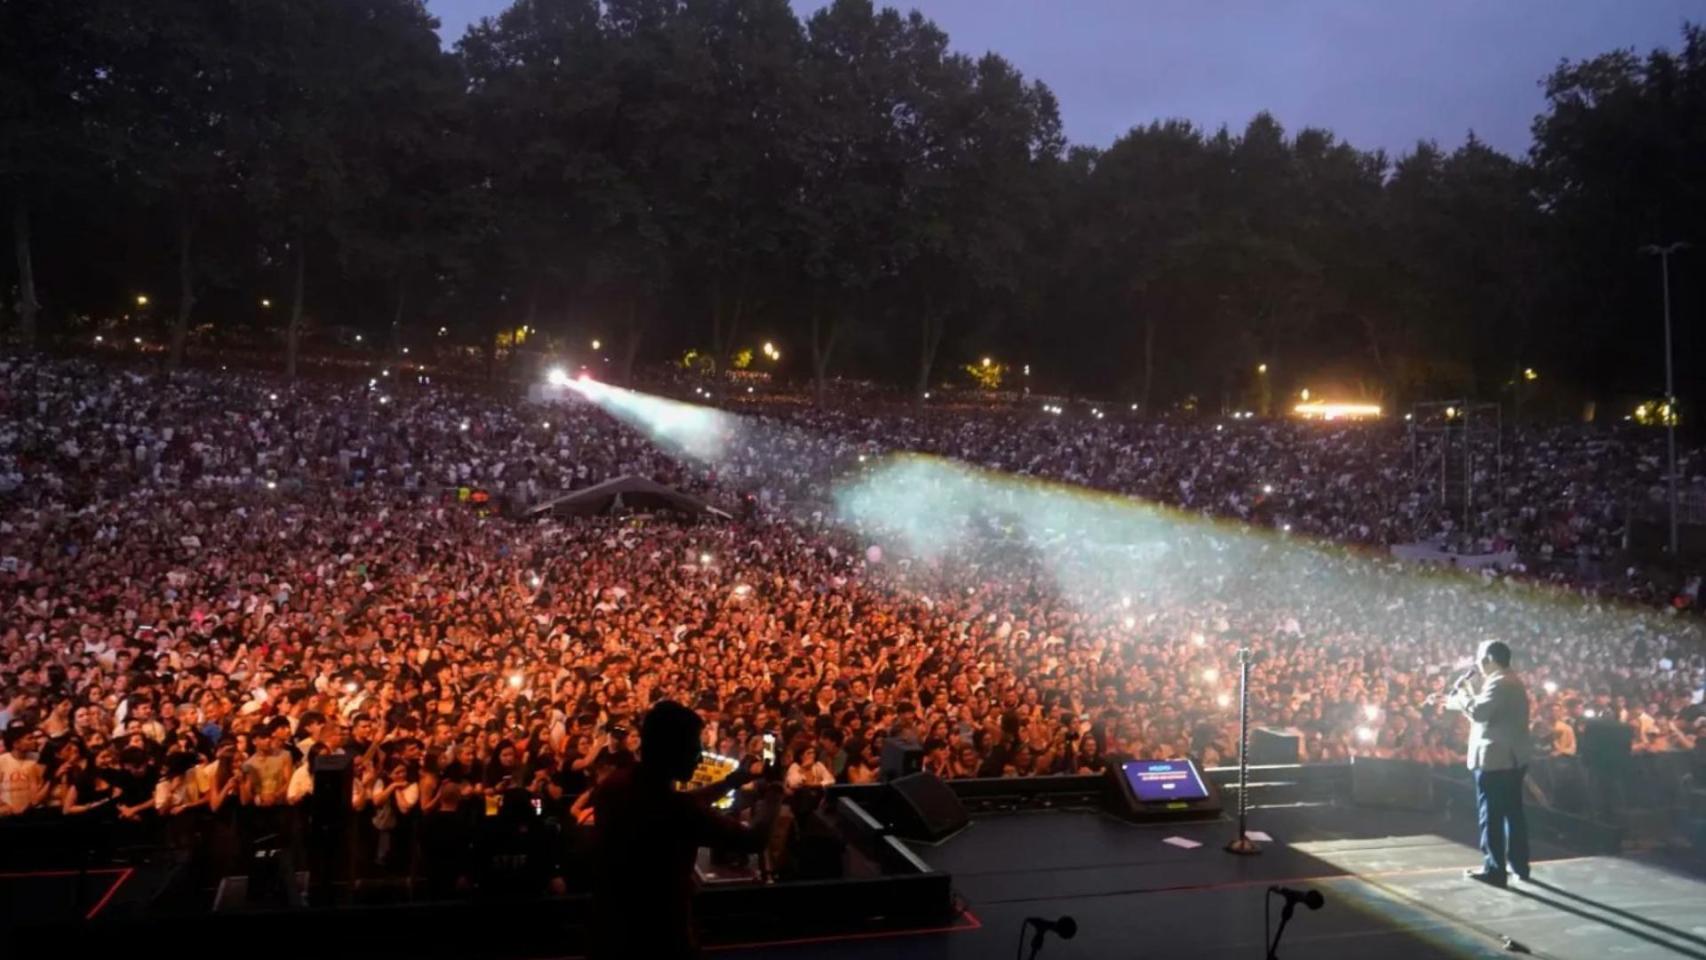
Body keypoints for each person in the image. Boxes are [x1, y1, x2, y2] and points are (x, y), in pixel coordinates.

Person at [589, 700, 775, 960]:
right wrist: (774, 794)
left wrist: (732, 781)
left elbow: (685, 802)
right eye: (693, 748)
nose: (700, 757)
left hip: (609, 931)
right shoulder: (674, 809)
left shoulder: (615, 785)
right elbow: (754, 840)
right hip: (661, 936)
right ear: (672, 749)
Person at [1448, 640, 1532, 887]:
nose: (1479, 664)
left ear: (1489, 659)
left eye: (1481, 659)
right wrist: (1456, 699)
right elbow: (1487, 710)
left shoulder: (1499, 683)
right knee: (1513, 814)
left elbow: (1480, 714)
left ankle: (1494, 869)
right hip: (1511, 759)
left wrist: (1463, 691)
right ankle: (1519, 865)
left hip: (1496, 760)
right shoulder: (1510, 681)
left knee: (1492, 815)